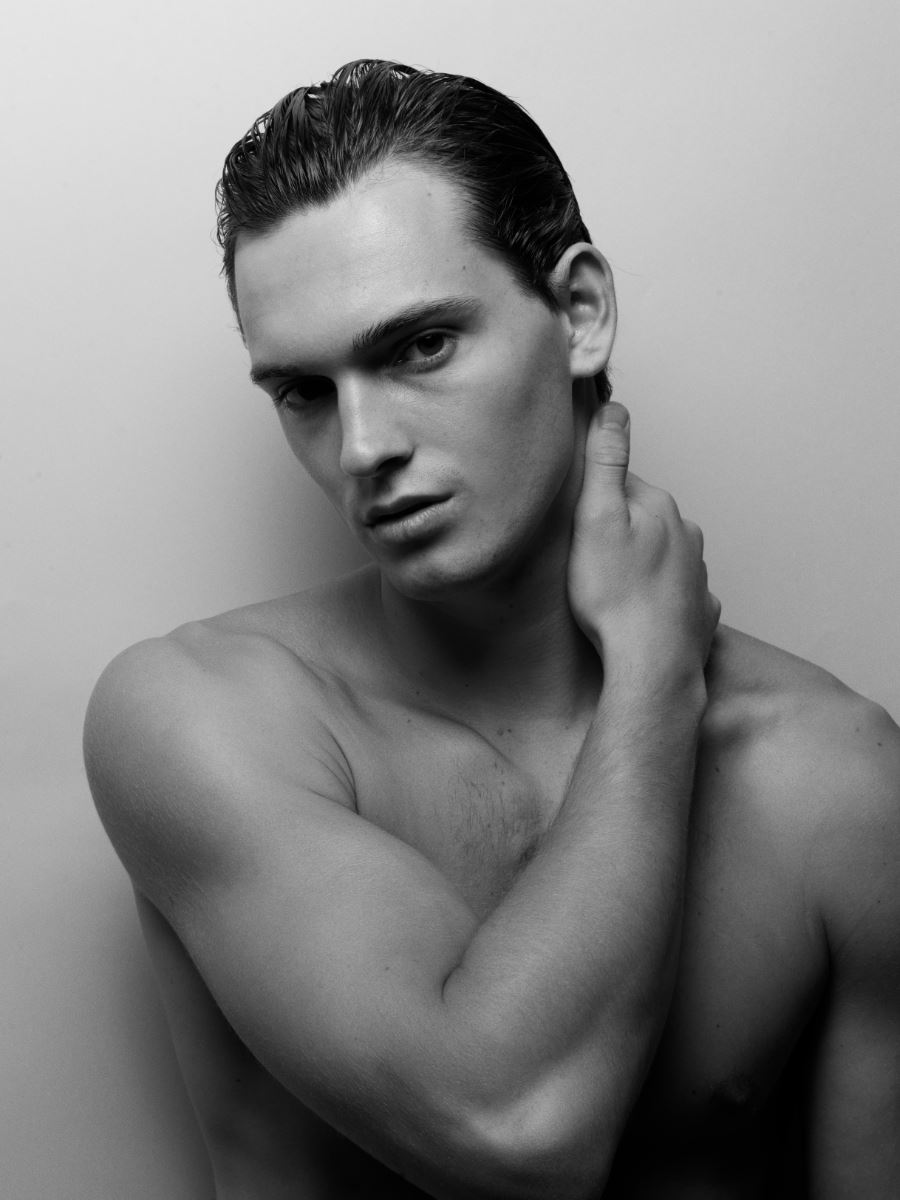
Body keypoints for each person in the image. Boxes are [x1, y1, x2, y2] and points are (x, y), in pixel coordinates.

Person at [84, 60, 900, 1198]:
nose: (363, 447)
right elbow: (513, 1127)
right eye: (304, 392)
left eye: (419, 346)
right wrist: (653, 674)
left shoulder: (837, 785)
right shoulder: (204, 715)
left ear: (580, 312)